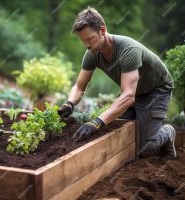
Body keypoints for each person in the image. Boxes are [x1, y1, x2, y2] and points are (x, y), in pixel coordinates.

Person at [58, 7, 176, 159]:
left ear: (102, 30)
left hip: (156, 90)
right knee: (119, 133)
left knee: (145, 148)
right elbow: (79, 86)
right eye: (83, 41)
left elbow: (128, 96)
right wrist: (69, 103)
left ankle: (168, 132)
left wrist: (97, 122)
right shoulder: (92, 53)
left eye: (89, 39)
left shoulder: (128, 50)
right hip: (134, 91)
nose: (86, 45)